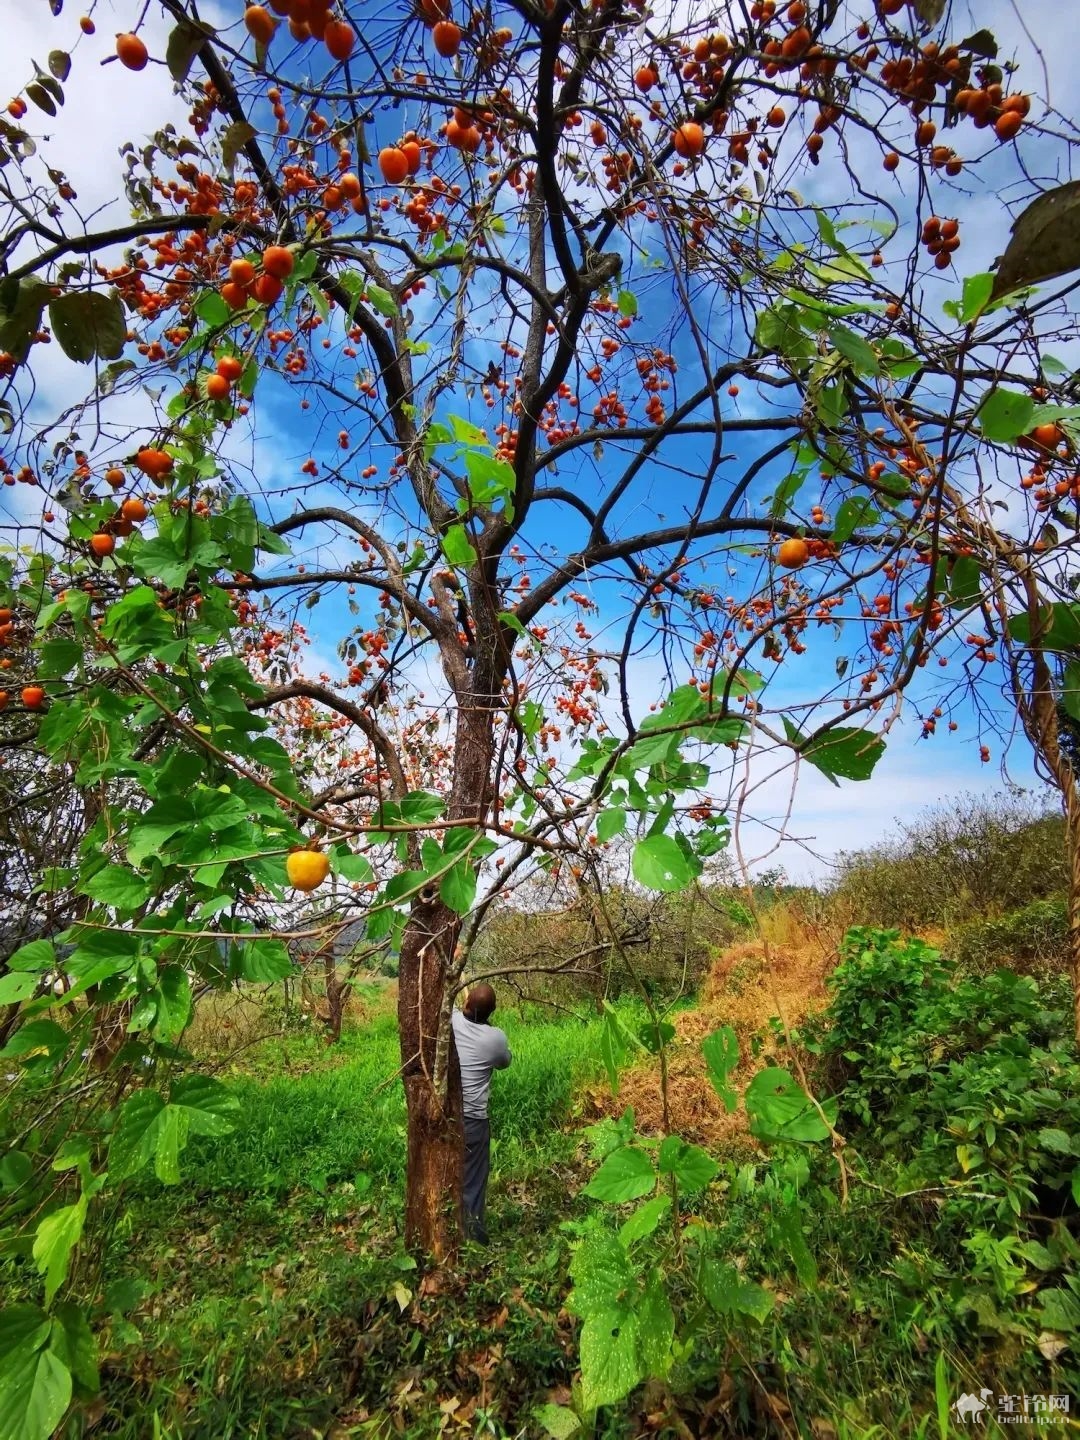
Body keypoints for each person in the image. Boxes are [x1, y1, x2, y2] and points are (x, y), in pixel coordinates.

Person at [450, 983, 511, 1244]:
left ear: (465, 1005)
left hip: (448, 1116)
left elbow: (451, 1004)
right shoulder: (495, 1038)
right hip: (474, 1121)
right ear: (493, 1011)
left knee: (451, 1174)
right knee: (473, 1181)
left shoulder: (450, 1021)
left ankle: (452, 1232)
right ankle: (474, 1238)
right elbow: (505, 1062)